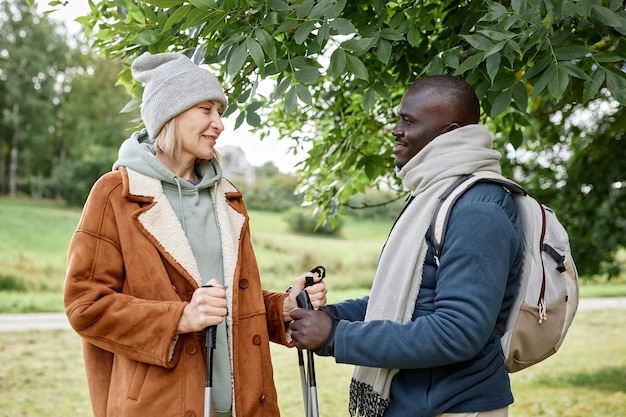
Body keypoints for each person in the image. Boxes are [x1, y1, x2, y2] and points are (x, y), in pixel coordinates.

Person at [63, 52, 327, 417]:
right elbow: (85, 306)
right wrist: (180, 318)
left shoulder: (228, 198)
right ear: (171, 114)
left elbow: (232, 304)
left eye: (219, 112)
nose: (219, 124)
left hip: (246, 403)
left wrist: (283, 306)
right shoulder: (115, 194)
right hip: (159, 406)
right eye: (206, 109)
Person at [289, 75, 524, 417]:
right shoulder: (433, 194)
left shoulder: (477, 208)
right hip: (413, 403)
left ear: (449, 133)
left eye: (407, 121)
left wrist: (337, 336)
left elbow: (458, 332)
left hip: (454, 407)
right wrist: (330, 316)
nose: (395, 130)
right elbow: (407, 301)